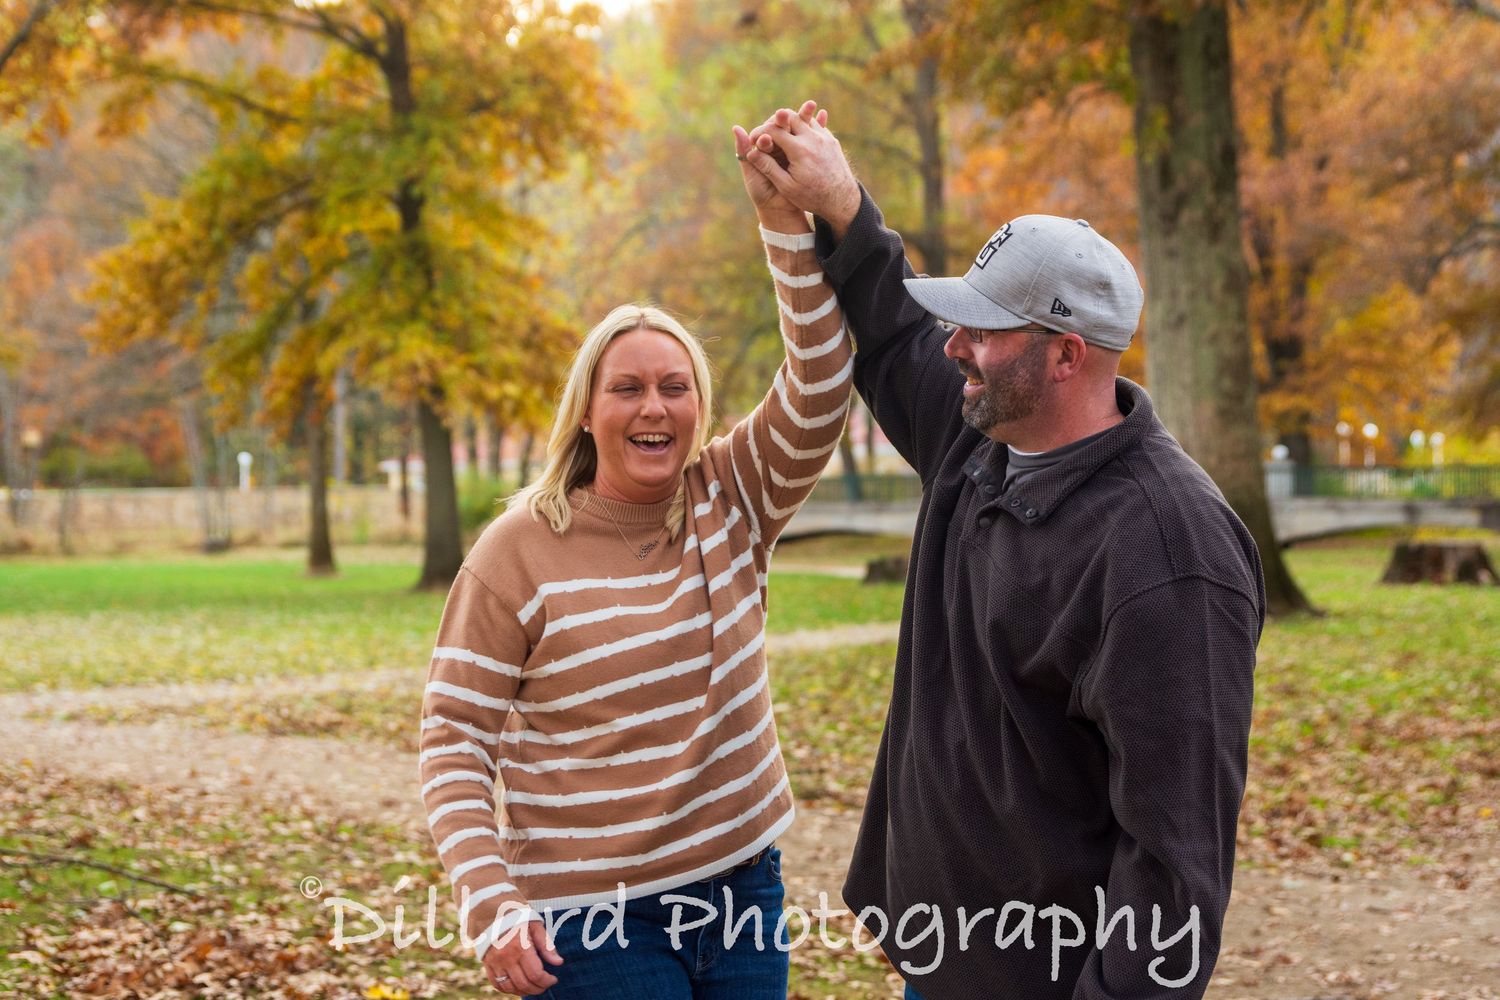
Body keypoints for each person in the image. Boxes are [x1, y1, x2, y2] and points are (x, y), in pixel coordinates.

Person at [736, 102, 1264, 1000]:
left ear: (1065, 356)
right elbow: (899, 331)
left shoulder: (1171, 556)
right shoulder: (984, 436)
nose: (955, 347)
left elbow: (1174, 864)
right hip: (945, 962)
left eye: (982, 331)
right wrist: (838, 203)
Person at [417, 132, 852, 998]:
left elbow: (821, 381)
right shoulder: (517, 551)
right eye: (627, 388)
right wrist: (491, 902)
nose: (653, 407)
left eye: (675, 386)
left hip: (742, 896)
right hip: (592, 917)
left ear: (699, 406)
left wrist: (781, 219)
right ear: (586, 413)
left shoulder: (733, 495)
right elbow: (454, 737)